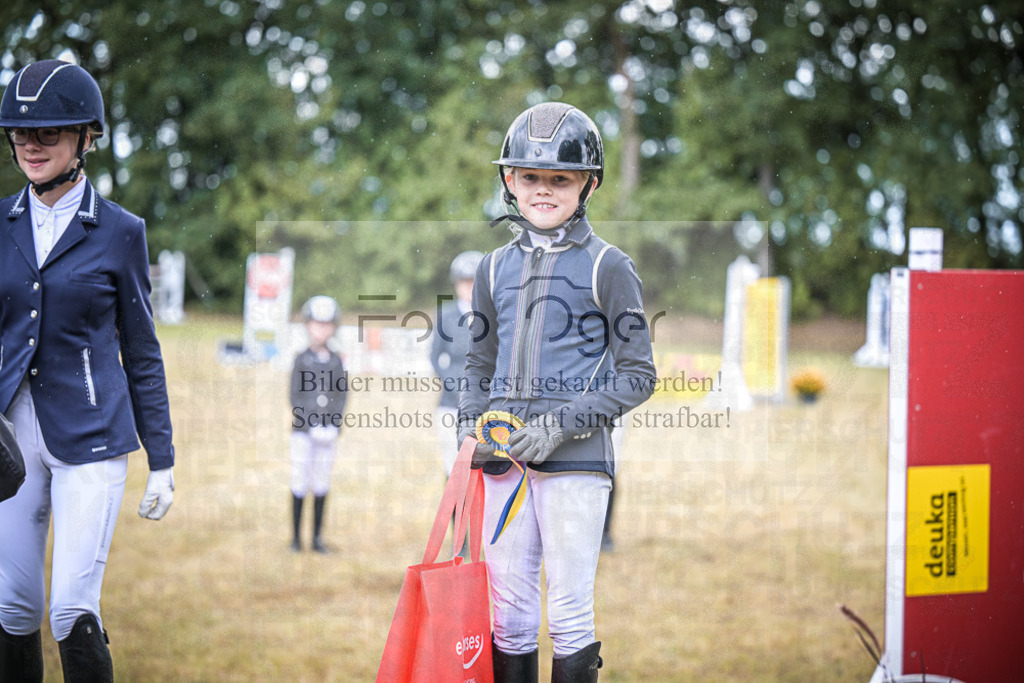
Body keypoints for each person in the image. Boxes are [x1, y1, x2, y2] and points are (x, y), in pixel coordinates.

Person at [458, 102, 656, 682]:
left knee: (568, 616)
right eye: (530, 178)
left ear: (587, 184)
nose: (543, 190)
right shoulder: (493, 267)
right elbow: (478, 359)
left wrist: (559, 426)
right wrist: (473, 425)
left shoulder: (609, 266)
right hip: (504, 462)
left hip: (576, 460)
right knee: (511, 617)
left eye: (560, 179)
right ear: (509, 182)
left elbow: (638, 374)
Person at [0, 59, 176, 682]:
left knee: (71, 609)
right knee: (13, 607)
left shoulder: (121, 231)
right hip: (12, 439)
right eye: (20, 134)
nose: (30, 144)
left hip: (93, 436)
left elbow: (143, 350)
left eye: (47, 133)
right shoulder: (0, 222)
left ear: (85, 138)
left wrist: (163, 458)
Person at [289, 295, 347, 553]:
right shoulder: (301, 359)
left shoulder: (337, 361)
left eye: (326, 325)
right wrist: (311, 420)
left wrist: (333, 422)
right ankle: (296, 539)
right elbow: (295, 396)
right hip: (303, 431)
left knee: (322, 481)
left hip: (328, 432)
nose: (321, 330)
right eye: (316, 324)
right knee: (300, 479)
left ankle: (316, 538)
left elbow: (341, 395)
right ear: (307, 325)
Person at [430, 250, 484, 477]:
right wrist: (453, 384)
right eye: (464, 282)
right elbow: (435, 356)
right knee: (452, 467)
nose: (469, 287)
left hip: (484, 403)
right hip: (451, 402)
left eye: (474, 282)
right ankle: (454, 513)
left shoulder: (494, 315)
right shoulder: (446, 315)